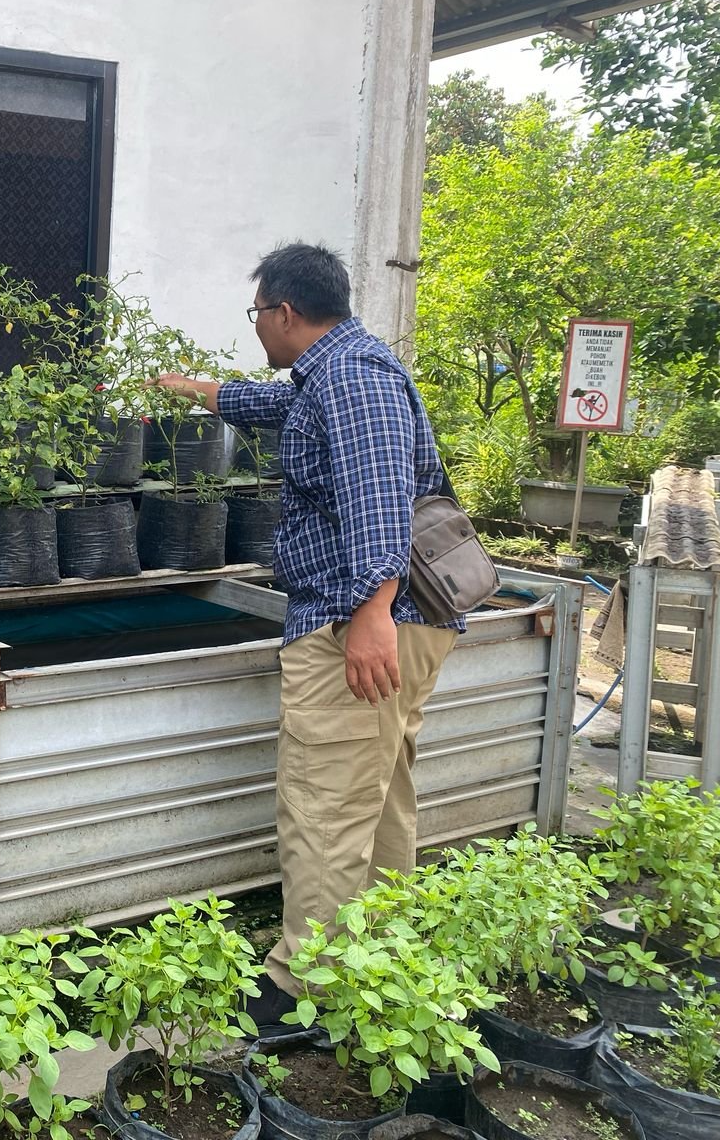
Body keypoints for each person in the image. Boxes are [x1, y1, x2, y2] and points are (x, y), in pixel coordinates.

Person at [149, 243, 462, 1025]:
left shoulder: (352, 379)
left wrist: (371, 615)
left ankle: (304, 990)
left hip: (359, 622)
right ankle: (376, 961)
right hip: (389, 620)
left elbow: (379, 500)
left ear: (285, 312)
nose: (256, 325)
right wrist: (193, 390)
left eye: (257, 313)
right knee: (375, 800)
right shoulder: (333, 374)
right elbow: (273, 407)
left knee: (323, 803)